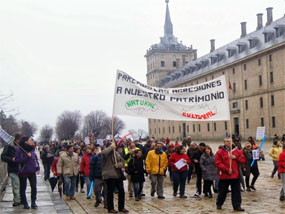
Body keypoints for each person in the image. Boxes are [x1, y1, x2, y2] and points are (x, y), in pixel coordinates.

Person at [215, 138, 246, 211]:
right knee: (223, 191)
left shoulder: (237, 151)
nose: (228, 142)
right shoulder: (220, 152)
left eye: (230, 141)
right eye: (227, 141)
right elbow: (218, 163)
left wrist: (236, 157)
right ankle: (219, 203)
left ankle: (237, 206)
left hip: (235, 175)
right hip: (224, 175)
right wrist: (226, 169)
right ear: (224, 142)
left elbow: (243, 160)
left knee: (236, 191)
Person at [101, 141, 128, 213]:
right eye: (113, 146)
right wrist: (111, 146)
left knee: (121, 191)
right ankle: (110, 208)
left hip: (118, 175)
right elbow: (103, 153)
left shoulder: (116, 154)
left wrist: (118, 165)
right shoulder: (105, 154)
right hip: (110, 175)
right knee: (110, 192)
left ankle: (121, 207)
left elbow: (122, 162)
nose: (114, 147)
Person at [15, 137, 40, 209]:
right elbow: (17, 160)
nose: (32, 141)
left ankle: (33, 202)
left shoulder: (32, 149)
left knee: (34, 187)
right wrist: (27, 157)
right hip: (23, 172)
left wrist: (37, 168)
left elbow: (35, 159)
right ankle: (25, 202)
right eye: (30, 140)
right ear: (26, 142)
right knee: (23, 188)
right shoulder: (19, 150)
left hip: (32, 171)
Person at [1, 133, 22, 207]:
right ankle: (17, 200)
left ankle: (20, 199)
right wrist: (11, 159)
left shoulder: (21, 146)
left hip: (21, 169)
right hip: (13, 169)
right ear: (16, 139)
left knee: (21, 186)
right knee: (16, 185)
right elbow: (3, 157)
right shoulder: (9, 146)